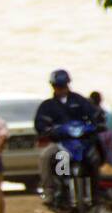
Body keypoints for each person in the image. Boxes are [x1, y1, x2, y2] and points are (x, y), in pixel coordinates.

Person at [35, 69, 106, 198]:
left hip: (82, 143)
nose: (61, 89)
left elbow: (94, 114)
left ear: (68, 84)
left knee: (95, 158)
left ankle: (97, 192)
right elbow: (40, 122)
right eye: (58, 86)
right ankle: (49, 192)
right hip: (61, 144)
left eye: (63, 86)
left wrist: (98, 124)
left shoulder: (80, 100)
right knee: (45, 156)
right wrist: (46, 131)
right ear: (53, 86)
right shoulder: (48, 105)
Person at [88, 91, 112, 171]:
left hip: (97, 160)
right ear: (100, 100)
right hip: (110, 159)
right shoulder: (109, 115)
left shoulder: (87, 117)